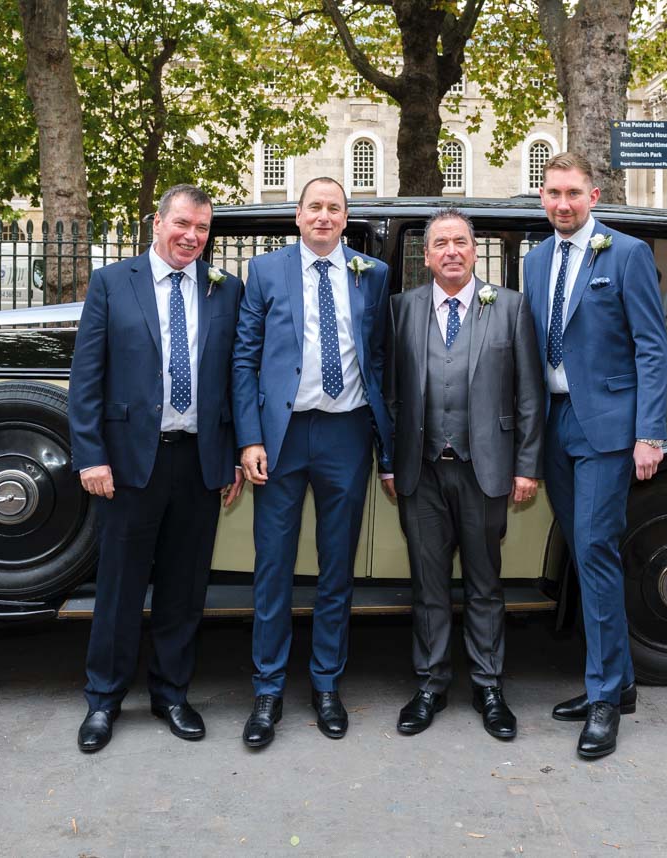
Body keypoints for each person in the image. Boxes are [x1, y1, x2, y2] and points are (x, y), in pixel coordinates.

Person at [68, 184, 244, 753]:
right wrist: (91, 454)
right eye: (183, 224)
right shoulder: (113, 283)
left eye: (202, 228)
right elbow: (86, 378)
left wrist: (238, 450)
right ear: (157, 223)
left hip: (199, 460)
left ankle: (172, 694)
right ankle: (104, 700)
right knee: (119, 588)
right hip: (127, 464)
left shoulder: (226, 290)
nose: (192, 236)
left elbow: (237, 379)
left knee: (184, 588)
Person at [232, 176, 393, 748]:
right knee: (273, 567)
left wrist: (385, 444)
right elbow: (244, 358)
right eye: (314, 207)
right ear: (297, 216)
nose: (324, 216)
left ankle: (327, 684)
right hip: (281, 436)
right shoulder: (267, 271)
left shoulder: (372, 275)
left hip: (346, 433)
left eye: (334, 208)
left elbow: (379, 360)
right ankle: (268, 690)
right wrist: (249, 439)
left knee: (336, 566)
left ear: (346, 218)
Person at [523, 152, 667, 760]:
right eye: (553, 193)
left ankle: (604, 697)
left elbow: (651, 349)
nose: (562, 203)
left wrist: (649, 433)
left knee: (594, 551)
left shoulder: (626, 253)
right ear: (543, 198)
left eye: (573, 193)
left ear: (594, 195)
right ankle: (621, 681)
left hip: (608, 430)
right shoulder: (534, 260)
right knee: (585, 559)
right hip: (554, 425)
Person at [384, 209, 544, 739]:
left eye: (460, 242)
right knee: (428, 584)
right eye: (440, 244)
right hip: (421, 469)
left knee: (484, 583)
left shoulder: (510, 308)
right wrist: (388, 461)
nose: (451, 251)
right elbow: (390, 395)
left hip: (486, 469)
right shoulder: (402, 309)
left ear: (475, 251)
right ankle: (430, 684)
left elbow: (527, 396)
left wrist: (526, 466)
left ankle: (489, 684)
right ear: (425, 256)